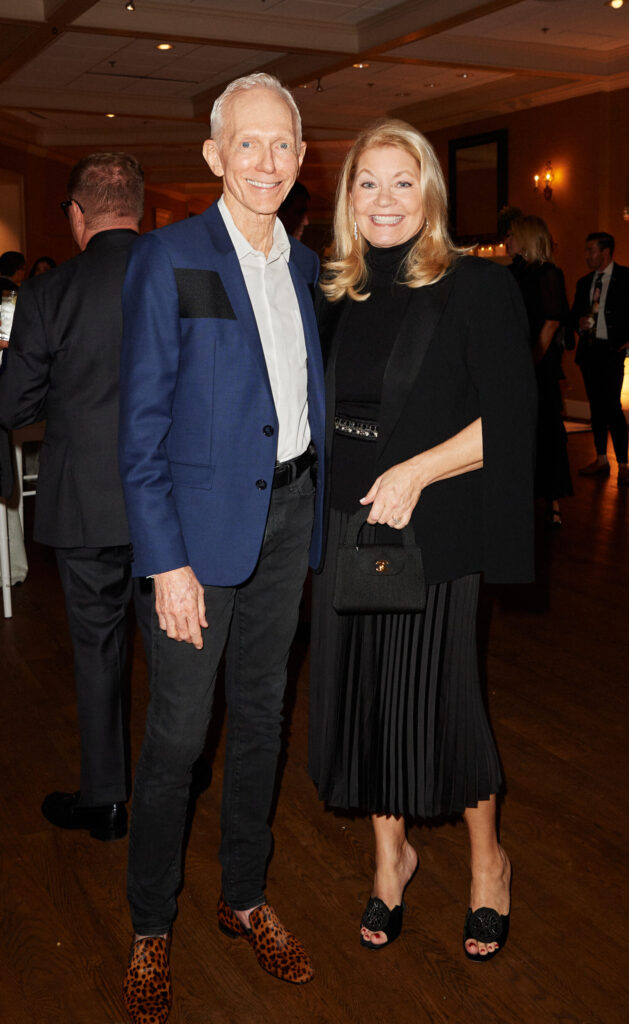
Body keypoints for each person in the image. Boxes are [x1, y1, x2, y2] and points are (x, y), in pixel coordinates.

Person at [118, 73, 325, 1022]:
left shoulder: (305, 263)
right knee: (175, 741)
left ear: (300, 156)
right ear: (213, 156)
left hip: (287, 521)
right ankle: (149, 926)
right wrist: (166, 562)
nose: (267, 163)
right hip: (196, 545)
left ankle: (244, 897)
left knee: (264, 718)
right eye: (248, 144)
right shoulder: (170, 259)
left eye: (282, 144)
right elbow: (142, 426)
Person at [309, 119, 536, 964]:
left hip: (430, 528)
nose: (384, 200)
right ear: (347, 197)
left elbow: (512, 419)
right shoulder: (333, 289)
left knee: (443, 702)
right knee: (364, 703)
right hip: (344, 526)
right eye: (367, 182)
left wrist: (417, 472)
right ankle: (388, 860)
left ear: (430, 192)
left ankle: (488, 864)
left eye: (402, 181)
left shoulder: (474, 287)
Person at [0, 152, 151, 841]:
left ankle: (107, 799)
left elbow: (15, 403)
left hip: (87, 499)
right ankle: (175, 771)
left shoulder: (47, 294)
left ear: (77, 214)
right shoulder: (185, 275)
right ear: (140, 210)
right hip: (171, 504)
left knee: (98, 650)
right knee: (179, 646)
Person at [508, 215, 573, 526]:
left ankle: (553, 501)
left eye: (511, 234)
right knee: (519, 435)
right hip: (517, 364)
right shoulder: (513, 274)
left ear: (525, 237)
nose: (507, 239)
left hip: (538, 367)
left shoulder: (548, 273)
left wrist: (529, 363)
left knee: (546, 430)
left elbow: (550, 323)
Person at [570, 232, 629, 486]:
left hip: (612, 351)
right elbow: (572, 315)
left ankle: (624, 464)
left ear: (605, 252)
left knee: (613, 406)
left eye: (590, 250)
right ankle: (601, 459)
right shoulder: (585, 283)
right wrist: (579, 323)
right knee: (596, 406)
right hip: (589, 351)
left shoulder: (626, 278)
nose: (586, 255)